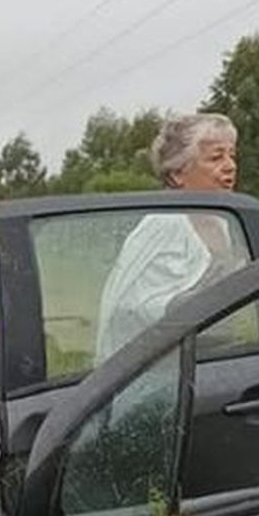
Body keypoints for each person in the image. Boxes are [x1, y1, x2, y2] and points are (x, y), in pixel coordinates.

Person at [93, 111, 242, 361]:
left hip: (210, 357)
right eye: (216, 157)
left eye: (232, 155)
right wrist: (187, 305)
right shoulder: (162, 224)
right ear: (177, 174)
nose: (230, 166)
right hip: (152, 366)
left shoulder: (224, 221)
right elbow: (124, 304)